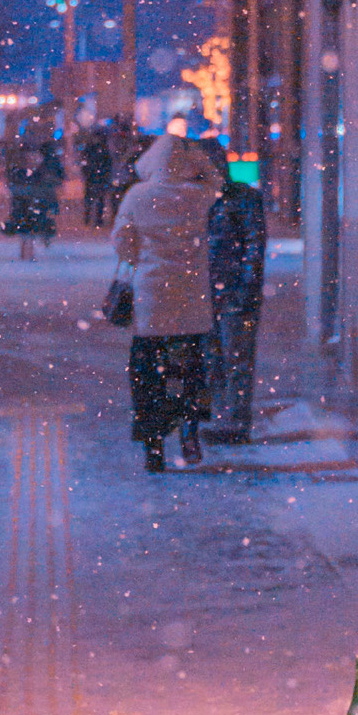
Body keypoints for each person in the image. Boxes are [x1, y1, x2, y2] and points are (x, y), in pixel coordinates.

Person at [111, 132, 220, 471]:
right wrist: (197, 159)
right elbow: (216, 179)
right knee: (190, 368)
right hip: (191, 298)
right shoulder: (197, 196)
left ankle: (153, 444)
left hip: (151, 299)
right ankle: (189, 425)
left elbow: (121, 243)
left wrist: (142, 256)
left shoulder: (137, 196)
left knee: (147, 374)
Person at [204, 143, 266, 442]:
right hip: (213, 292)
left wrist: (244, 286)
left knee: (233, 358)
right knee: (216, 359)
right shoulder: (202, 199)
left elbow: (254, 247)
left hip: (232, 293)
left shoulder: (242, 198)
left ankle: (234, 421)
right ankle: (225, 418)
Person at [80, 125, 113, 228]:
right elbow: (108, 163)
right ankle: (96, 219)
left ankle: (89, 217)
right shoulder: (103, 148)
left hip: (93, 176)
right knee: (98, 198)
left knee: (91, 198)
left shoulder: (91, 147)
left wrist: (86, 171)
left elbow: (84, 161)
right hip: (98, 176)